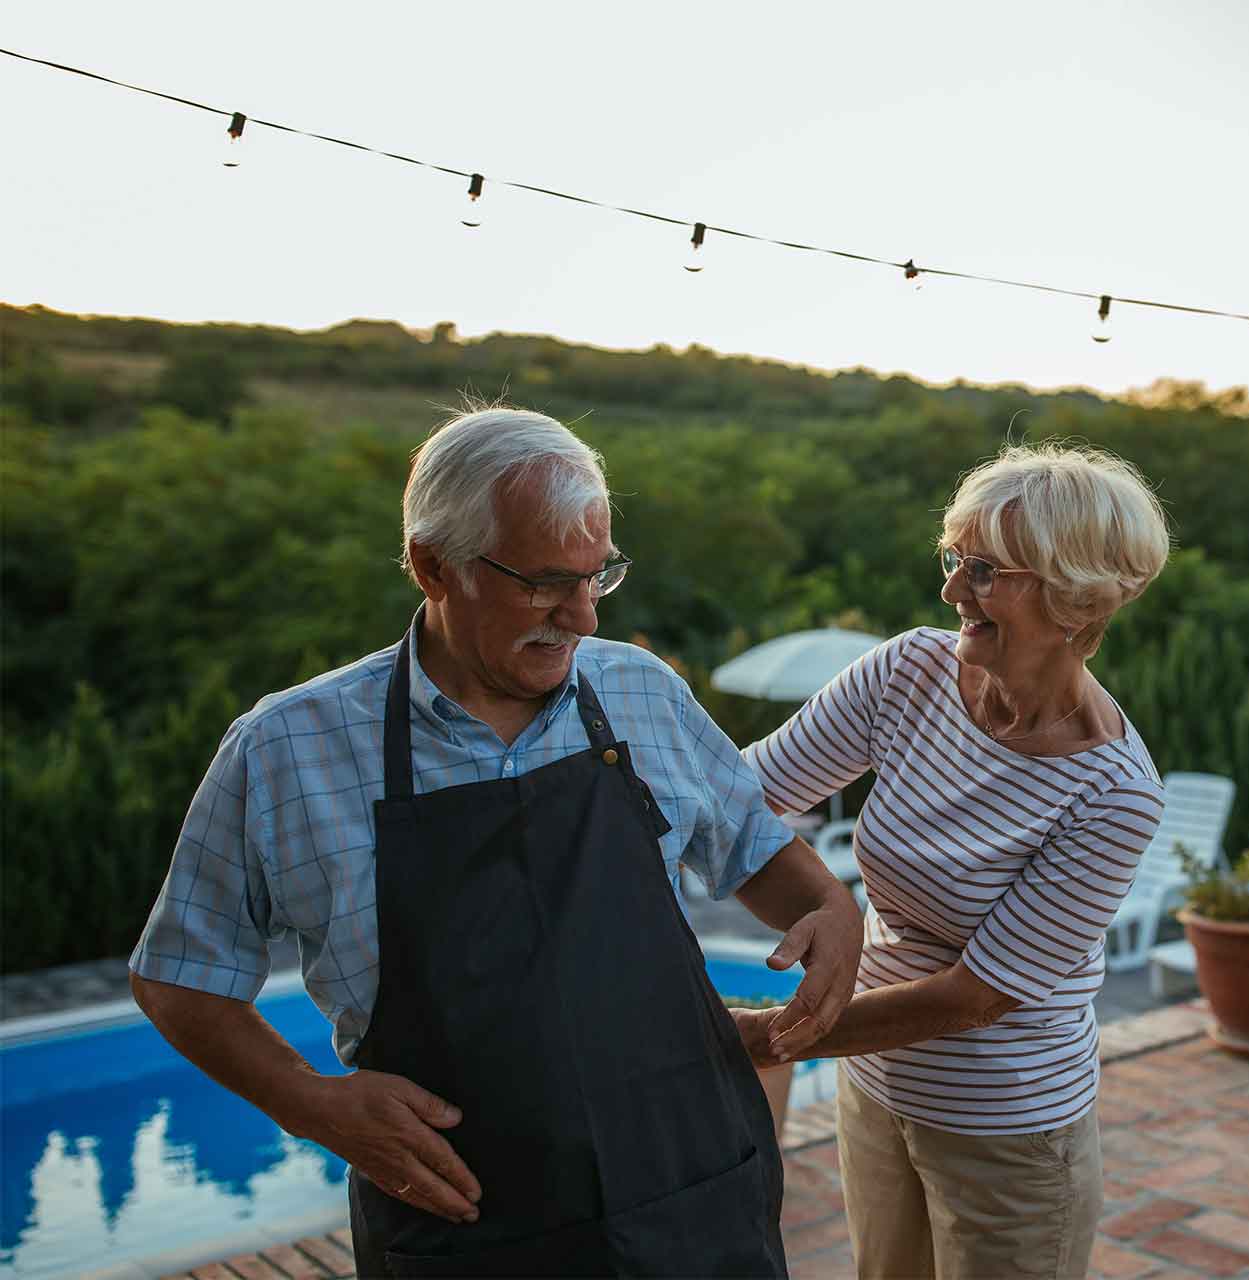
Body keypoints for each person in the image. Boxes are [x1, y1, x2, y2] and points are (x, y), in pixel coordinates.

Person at [128, 406, 862, 1278]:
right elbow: (179, 977)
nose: (583, 617)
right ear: (433, 565)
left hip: (696, 1202)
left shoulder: (642, 693)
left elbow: (756, 848)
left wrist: (827, 905)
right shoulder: (286, 750)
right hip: (466, 1232)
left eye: (600, 578)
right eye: (547, 583)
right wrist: (310, 1104)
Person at [739, 443, 1171, 1279]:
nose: (950, 592)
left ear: (1075, 595)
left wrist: (769, 1039)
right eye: (953, 559)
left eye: (982, 571)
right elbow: (744, 795)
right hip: (874, 1088)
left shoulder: (1114, 790)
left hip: (1007, 1131)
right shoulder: (910, 670)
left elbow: (974, 998)